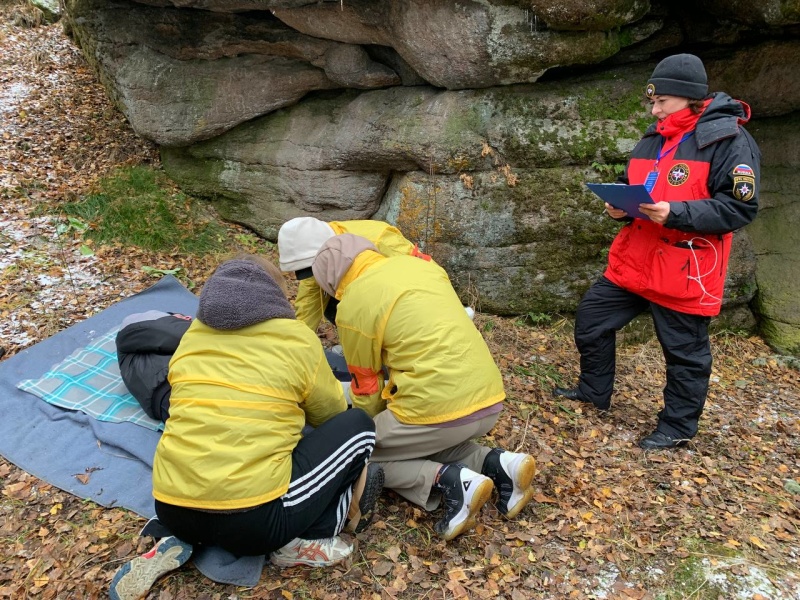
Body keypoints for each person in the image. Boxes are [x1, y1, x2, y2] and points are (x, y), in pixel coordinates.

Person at [109, 254, 384, 600]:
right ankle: (308, 540)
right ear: (275, 295)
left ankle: (173, 535)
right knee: (358, 426)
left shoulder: (193, 336)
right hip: (254, 521)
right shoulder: (296, 338)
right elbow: (329, 415)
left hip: (171, 505)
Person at [554, 53, 761, 450]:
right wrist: (617, 204)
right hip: (635, 259)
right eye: (653, 101)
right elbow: (632, 182)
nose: (654, 109)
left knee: (684, 355)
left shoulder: (729, 140)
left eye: (661, 101)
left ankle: (677, 428)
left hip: (685, 268)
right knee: (592, 319)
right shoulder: (655, 136)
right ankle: (594, 393)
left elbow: (740, 207)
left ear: (688, 97)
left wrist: (676, 213)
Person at [311, 234, 537, 541]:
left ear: (330, 281)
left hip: (437, 410)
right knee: (417, 438)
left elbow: (367, 386)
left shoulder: (354, 302)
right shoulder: (423, 268)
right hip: (488, 397)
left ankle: (448, 480)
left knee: (360, 451)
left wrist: (360, 425)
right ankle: (498, 463)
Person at [277, 217, 431, 331]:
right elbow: (308, 305)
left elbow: (422, 274)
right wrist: (299, 343)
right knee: (333, 308)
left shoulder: (380, 238)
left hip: (400, 298)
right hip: (363, 298)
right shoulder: (312, 255)